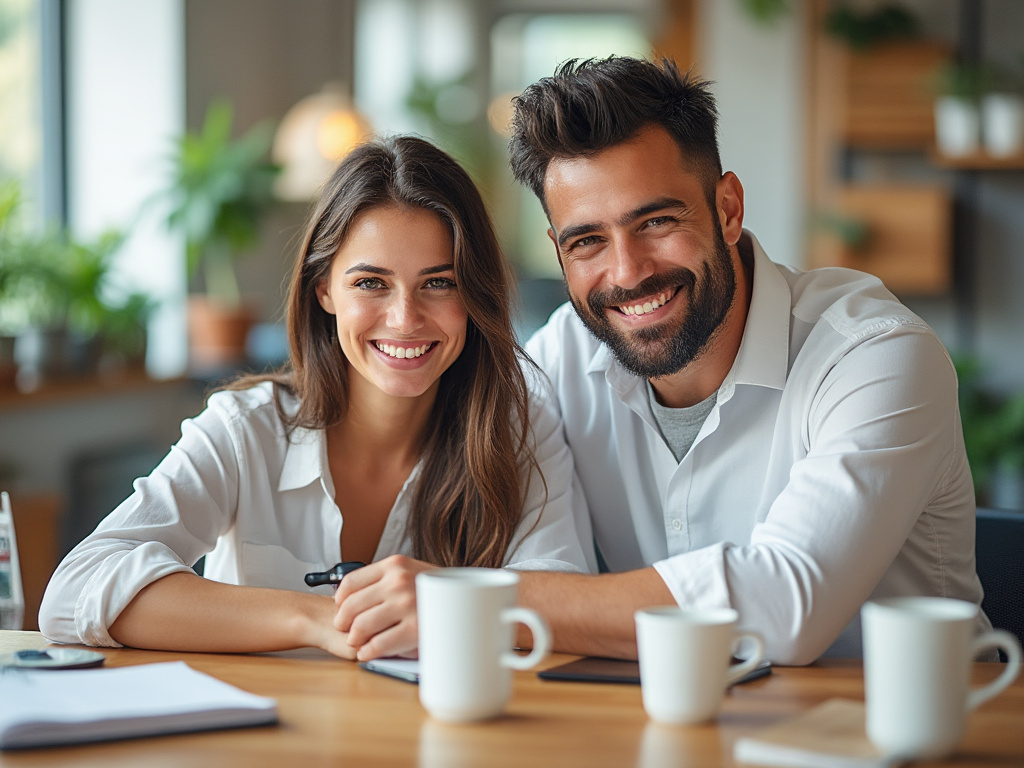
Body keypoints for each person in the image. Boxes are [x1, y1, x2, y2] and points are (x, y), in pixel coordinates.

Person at [503, 56, 989, 665]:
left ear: (727, 208)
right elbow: (541, 568)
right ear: (559, 249)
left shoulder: (876, 354)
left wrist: (485, 603)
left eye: (656, 221)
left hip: (927, 740)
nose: (627, 272)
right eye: (587, 241)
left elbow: (786, 608)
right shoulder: (556, 361)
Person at [38, 135, 593, 660]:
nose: (404, 319)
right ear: (323, 288)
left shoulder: (518, 431)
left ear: (475, 293)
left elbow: (564, 598)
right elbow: (75, 589)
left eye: (440, 282)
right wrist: (314, 619)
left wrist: (443, 595)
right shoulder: (245, 430)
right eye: (371, 283)